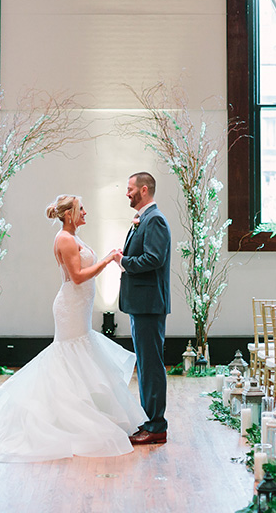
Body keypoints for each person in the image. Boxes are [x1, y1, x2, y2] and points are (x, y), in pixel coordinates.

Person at [0, 195, 146, 462]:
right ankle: (65, 419)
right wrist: (108, 260)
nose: (85, 212)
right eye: (81, 209)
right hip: (70, 306)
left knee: (80, 356)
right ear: (68, 215)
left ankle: (84, 414)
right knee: (69, 356)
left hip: (80, 306)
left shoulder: (74, 237)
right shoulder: (64, 238)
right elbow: (77, 277)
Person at [115, 172, 171, 445]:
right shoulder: (144, 219)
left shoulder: (155, 220)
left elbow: (154, 258)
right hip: (141, 304)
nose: (127, 193)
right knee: (146, 365)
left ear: (144, 190)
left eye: (130, 189)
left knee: (151, 366)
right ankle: (149, 421)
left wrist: (124, 261)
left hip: (149, 304)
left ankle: (156, 426)